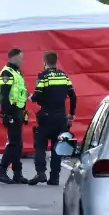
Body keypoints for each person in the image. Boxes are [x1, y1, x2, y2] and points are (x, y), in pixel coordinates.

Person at [28, 51, 77, 186]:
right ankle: (54, 177)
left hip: (46, 117)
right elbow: (73, 96)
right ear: (56, 61)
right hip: (61, 117)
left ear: (44, 62)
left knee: (40, 145)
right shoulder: (64, 76)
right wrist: (71, 114)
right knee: (57, 147)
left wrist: (31, 97)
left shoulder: (43, 77)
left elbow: (37, 96)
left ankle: (41, 173)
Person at [0, 47, 28, 184]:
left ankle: (17, 173)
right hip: (11, 112)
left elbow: (19, 94)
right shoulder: (7, 73)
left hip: (18, 111)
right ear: (13, 57)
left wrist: (23, 111)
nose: (22, 60)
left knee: (18, 144)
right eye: (21, 58)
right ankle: (1, 171)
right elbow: (4, 95)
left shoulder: (17, 73)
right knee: (14, 144)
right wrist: (6, 114)